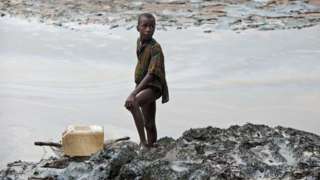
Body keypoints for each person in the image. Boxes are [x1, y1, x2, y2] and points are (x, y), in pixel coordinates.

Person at [124, 13, 169, 148]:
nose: (148, 29)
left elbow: (151, 73)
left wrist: (134, 93)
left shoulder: (155, 48)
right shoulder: (139, 42)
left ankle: (143, 143)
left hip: (154, 86)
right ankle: (152, 145)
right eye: (145, 26)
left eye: (152, 26)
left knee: (133, 103)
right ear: (138, 28)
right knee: (149, 122)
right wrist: (138, 86)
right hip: (143, 85)